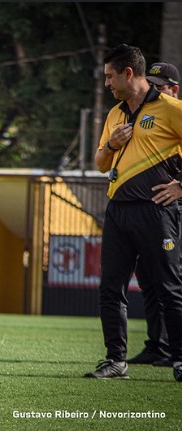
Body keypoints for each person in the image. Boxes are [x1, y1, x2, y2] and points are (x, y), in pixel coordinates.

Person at [85, 44, 182, 382]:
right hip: (118, 212)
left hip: (157, 213)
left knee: (169, 288)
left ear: (129, 73)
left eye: (111, 76)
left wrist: (181, 187)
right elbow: (99, 164)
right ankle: (115, 361)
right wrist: (111, 145)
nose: (107, 83)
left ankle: (180, 360)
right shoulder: (115, 114)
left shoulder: (172, 108)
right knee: (110, 289)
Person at [128, 62, 180, 367]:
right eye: (152, 84)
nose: (155, 89)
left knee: (172, 282)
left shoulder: (175, 112)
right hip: (154, 211)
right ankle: (157, 345)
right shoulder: (146, 114)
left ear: (174, 88)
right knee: (149, 279)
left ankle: (176, 351)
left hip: (175, 211)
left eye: (161, 85)